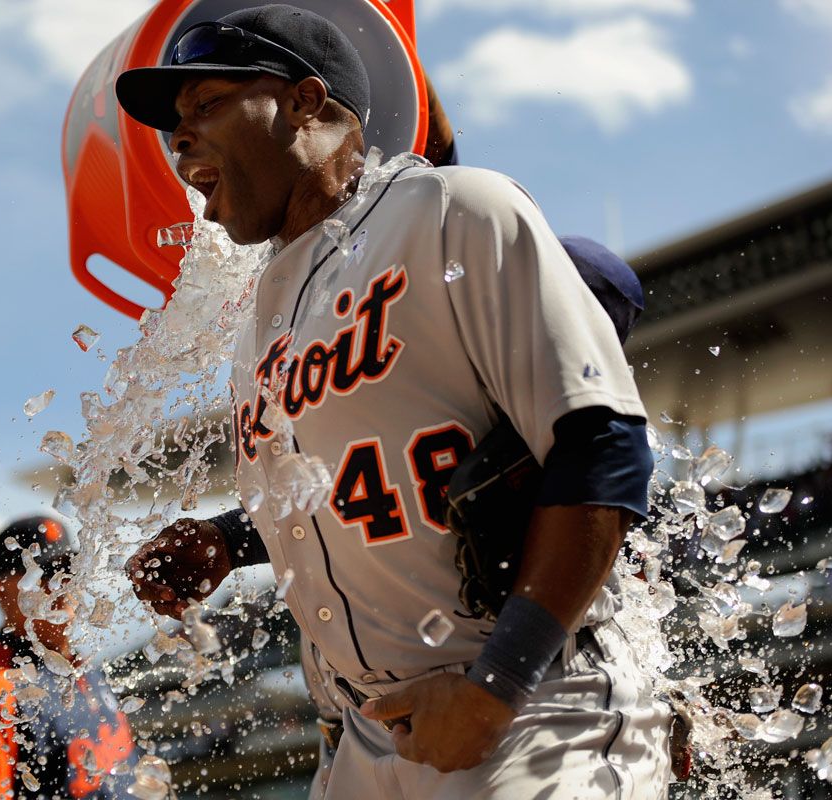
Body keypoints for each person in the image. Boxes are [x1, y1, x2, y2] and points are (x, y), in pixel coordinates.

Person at [117, 5, 670, 797]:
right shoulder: (265, 313)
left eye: (206, 105)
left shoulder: (456, 209)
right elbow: (364, 484)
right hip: (366, 739)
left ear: (306, 102)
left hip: (532, 705)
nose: (180, 139)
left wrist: (497, 686)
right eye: (175, 123)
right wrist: (232, 541)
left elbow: (601, 444)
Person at [0, 517, 139, 799]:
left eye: (70, 571)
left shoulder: (85, 669)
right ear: (3, 591)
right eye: (45, 574)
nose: (62, 583)